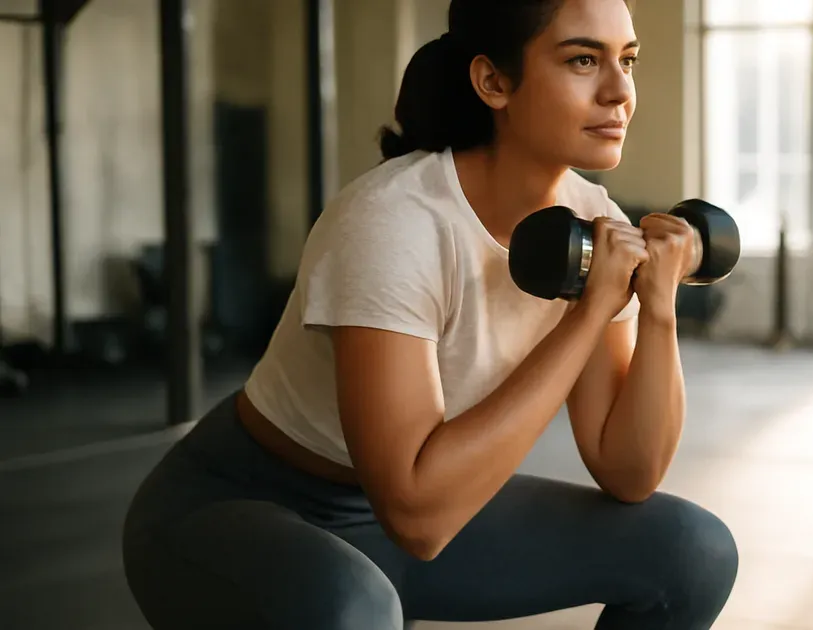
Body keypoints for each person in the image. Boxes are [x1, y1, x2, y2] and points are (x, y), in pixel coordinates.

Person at [121, 0, 739, 628]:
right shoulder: (395, 221)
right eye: (583, 59)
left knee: (693, 553)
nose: (619, 93)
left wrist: (658, 308)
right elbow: (416, 513)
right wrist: (587, 316)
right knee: (353, 607)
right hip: (244, 507)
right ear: (493, 82)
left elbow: (628, 471)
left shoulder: (592, 221)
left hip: (411, 522)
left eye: (626, 61)